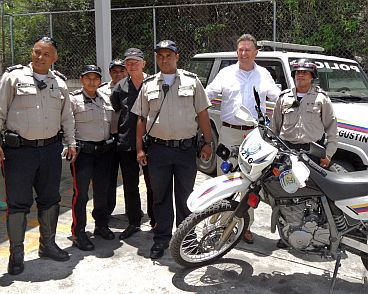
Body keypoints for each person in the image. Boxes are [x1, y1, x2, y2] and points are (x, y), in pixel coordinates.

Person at [0, 36, 76, 275]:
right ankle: (16, 254)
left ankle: (48, 245)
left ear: (54, 58)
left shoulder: (60, 83)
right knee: (18, 203)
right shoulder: (13, 78)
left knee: (50, 198)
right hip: (19, 152)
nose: (40, 57)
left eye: (46, 54)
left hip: (50, 150)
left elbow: (67, 117)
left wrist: (71, 143)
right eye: (36, 52)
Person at [132, 40, 213, 259]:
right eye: (160, 56)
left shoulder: (192, 82)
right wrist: (139, 149)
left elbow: (203, 113)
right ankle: (161, 238)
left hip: (185, 150)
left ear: (177, 57)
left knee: (186, 197)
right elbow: (141, 118)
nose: (164, 59)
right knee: (160, 197)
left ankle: (187, 238)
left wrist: (208, 142)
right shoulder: (148, 85)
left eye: (169, 55)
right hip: (158, 151)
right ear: (157, 59)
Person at [205, 33, 281, 244]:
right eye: (240, 50)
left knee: (250, 183)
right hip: (229, 132)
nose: (244, 53)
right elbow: (208, 93)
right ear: (236, 52)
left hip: (255, 135)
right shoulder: (226, 73)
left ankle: (245, 226)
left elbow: (277, 96)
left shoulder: (263, 74)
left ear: (256, 52)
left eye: (248, 50)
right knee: (224, 178)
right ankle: (219, 225)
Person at [271, 59, 338, 249]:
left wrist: (329, 154)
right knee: (286, 193)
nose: (300, 75)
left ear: (312, 77)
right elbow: (274, 127)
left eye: (305, 73)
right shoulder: (283, 97)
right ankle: (288, 233)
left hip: (311, 153)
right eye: (297, 72)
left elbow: (332, 128)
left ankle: (312, 232)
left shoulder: (321, 99)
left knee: (309, 195)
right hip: (287, 151)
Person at [110, 48, 155, 240]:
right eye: (128, 62)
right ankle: (134, 221)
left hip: (152, 142)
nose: (132, 65)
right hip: (127, 143)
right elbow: (116, 108)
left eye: (136, 61)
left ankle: (156, 220)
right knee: (130, 185)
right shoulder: (120, 87)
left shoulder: (155, 83)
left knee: (153, 184)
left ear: (144, 63)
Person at [69, 65, 115, 251]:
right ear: (81, 79)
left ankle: (101, 225)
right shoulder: (73, 100)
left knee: (102, 191)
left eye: (95, 78)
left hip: (103, 151)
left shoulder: (105, 98)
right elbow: (67, 125)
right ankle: (78, 232)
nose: (92, 81)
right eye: (88, 78)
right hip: (83, 153)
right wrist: (69, 145)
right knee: (81, 194)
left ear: (100, 80)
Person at [98, 58, 128, 217]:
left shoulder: (133, 88)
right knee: (108, 177)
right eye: (115, 71)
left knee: (130, 178)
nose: (118, 74)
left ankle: (133, 211)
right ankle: (107, 210)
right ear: (110, 73)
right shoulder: (101, 90)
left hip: (127, 139)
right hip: (109, 139)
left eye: (121, 71)